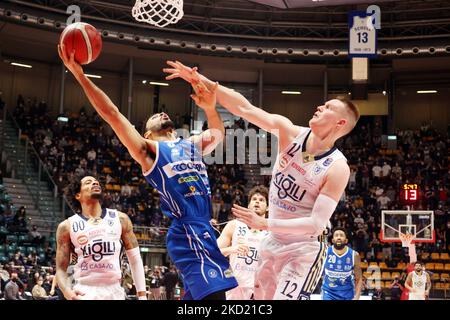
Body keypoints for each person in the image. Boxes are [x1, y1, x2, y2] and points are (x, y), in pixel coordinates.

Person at [164, 61, 359, 300]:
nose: (319, 106)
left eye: (328, 107)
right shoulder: (288, 132)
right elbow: (244, 108)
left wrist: (265, 224)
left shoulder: (338, 167)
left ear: (340, 123)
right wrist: (198, 79)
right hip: (272, 242)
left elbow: (316, 224)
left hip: (303, 249)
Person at [58, 45, 238, 300]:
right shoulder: (149, 150)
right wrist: (80, 75)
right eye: (154, 116)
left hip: (203, 229)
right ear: (147, 134)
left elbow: (218, 134)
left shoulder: (191, 144)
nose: (161, 112)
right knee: (215, 298)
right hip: (187, 232)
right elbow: (112, 114)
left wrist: (210, 107)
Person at [55, 175, 147, 300]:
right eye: (88, 182)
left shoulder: (120, 219)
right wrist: (67, 291)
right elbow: (60, 269)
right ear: (78, 195)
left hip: (114, 291)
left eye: (96, 182)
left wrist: (142, 295)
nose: (94, 183)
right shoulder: (66, 227)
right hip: (84, 291)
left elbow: (135, 259)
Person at [217, 185, 269, 300]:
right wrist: (232, 249)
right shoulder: (234, 225)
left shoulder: (271, 232)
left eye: (261, 200)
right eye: (254, 199)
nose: (257, 202)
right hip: (235, 288)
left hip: (260, 289)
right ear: (249, 205)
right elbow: (213, 253)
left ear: (268, 207)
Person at [320, 227, 363, 300]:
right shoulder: (325, 252)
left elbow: (358, 279)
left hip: (347, 293)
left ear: (346, 240)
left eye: (341, 235)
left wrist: (357, 297)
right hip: (329, 292)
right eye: (336, 235)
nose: (339, 237)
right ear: (333, 240)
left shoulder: (354, 255)